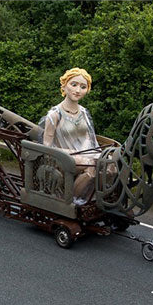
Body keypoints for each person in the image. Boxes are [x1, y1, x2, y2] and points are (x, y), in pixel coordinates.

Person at [42, 68, 99, 204]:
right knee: (91, 165)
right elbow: (47, 145)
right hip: (60, 157)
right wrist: (72, 153)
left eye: (83, 87)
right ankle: (71, 200)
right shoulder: (54, 114)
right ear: (64, 86)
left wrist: (87, 152)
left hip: (82, 154)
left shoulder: (84, 113)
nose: (78, 90)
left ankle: (95, 199)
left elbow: (87, 137)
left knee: (109, 163)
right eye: (73, 84)